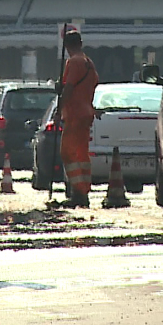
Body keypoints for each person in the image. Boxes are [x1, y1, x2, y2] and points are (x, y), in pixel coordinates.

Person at [57, 30, 99, 208]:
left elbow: (69, 89)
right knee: (82, 155)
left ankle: (77, 191)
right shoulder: (88, 63)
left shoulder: (73, 62)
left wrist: (59, 109)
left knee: (67, 153)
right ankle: (83, 192)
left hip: (74, 115)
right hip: (86, 114)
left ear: (66, 47)